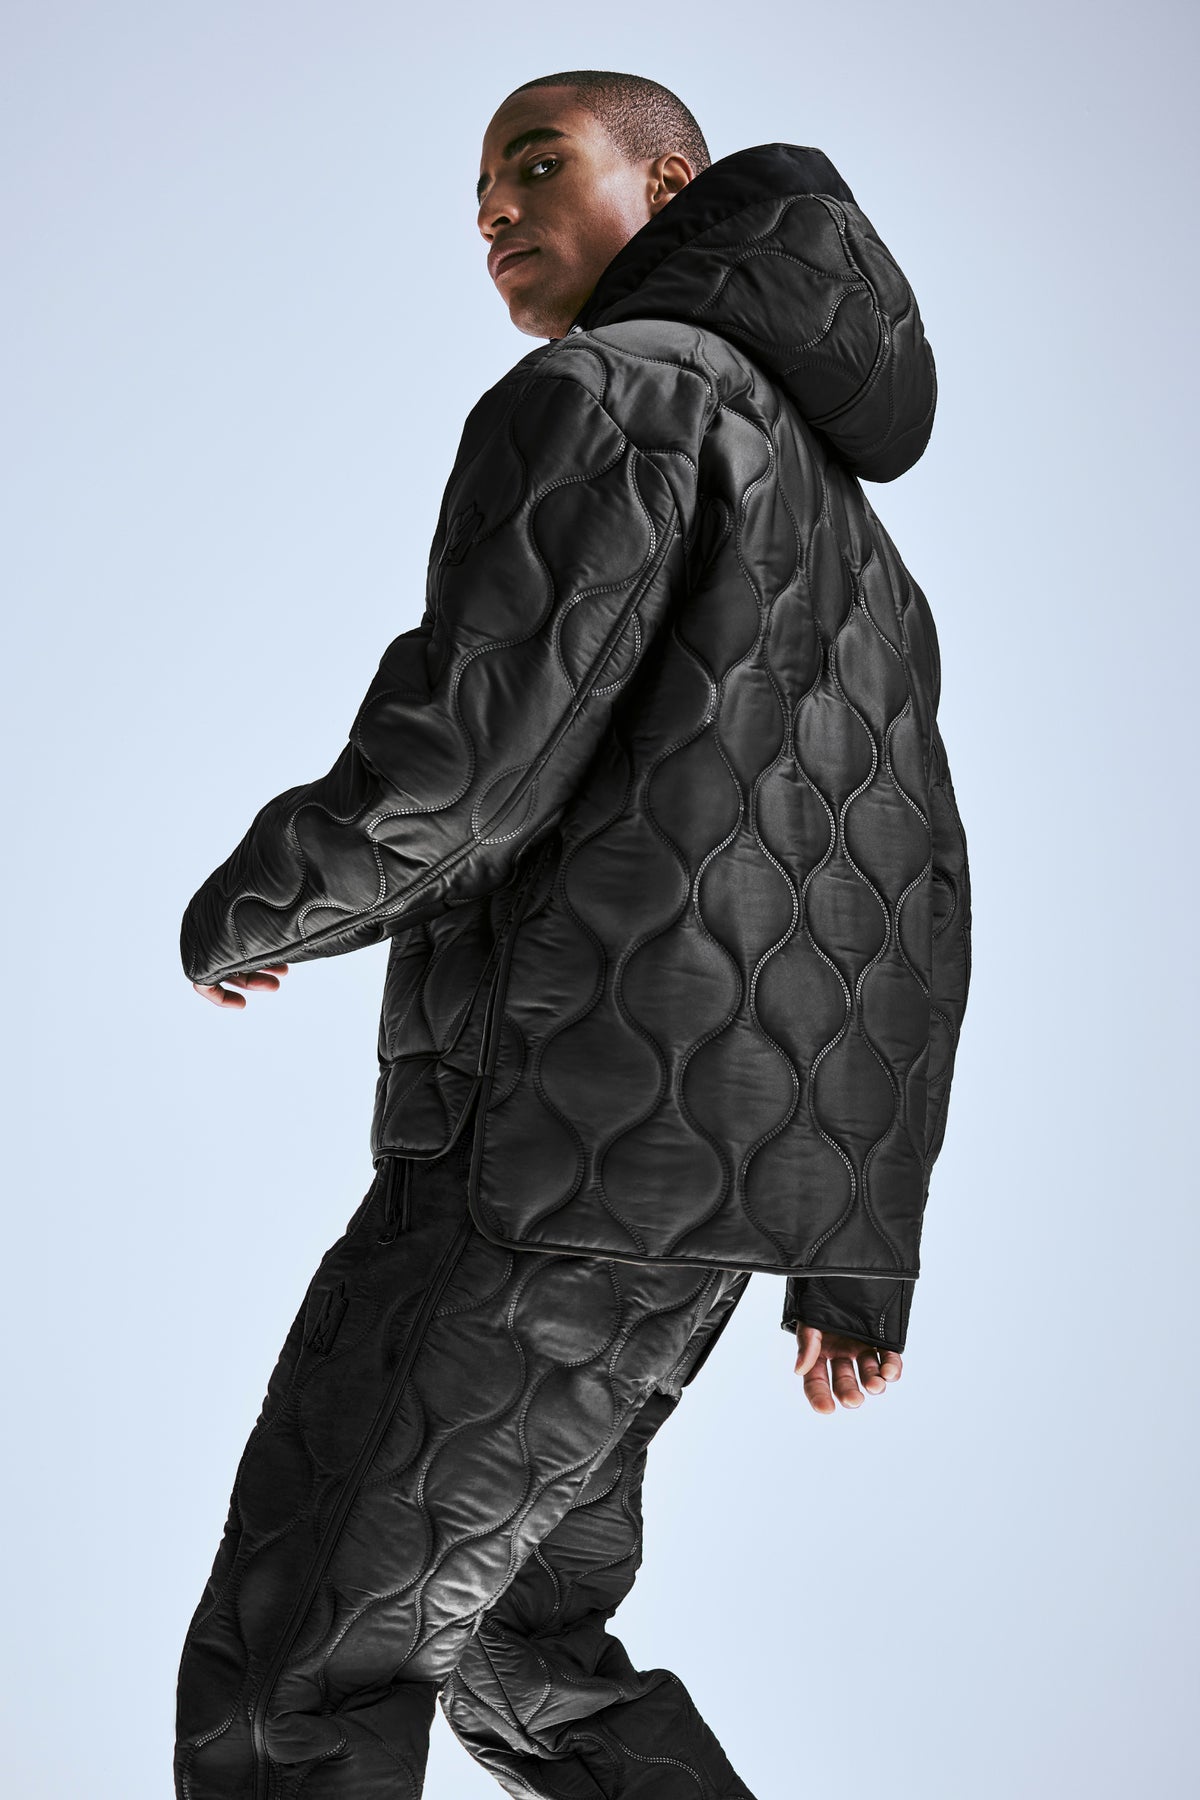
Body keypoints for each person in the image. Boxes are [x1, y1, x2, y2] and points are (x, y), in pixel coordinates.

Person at [174, 69, 972, 1800]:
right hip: (693, 1214)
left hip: (537, 1161)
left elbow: (471, 764)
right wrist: (858, 1245)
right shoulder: (861, 550)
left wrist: (255, 901)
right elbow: (906, 892)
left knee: (295, 1668)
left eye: (537, 165)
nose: (495, 211)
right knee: (523, 1654)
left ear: (669, 184)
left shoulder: (605, 394)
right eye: (480, 192)